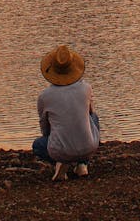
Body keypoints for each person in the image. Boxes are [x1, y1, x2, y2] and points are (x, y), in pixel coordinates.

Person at [32, 43, 100, 180]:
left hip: (60, 150)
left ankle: (61, 161)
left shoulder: (45, 96)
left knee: (38, 145)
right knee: (94, 117)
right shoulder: (86, 88)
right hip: (89, 147)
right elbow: (90, 113)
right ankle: (82, 163)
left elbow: (45, 129)